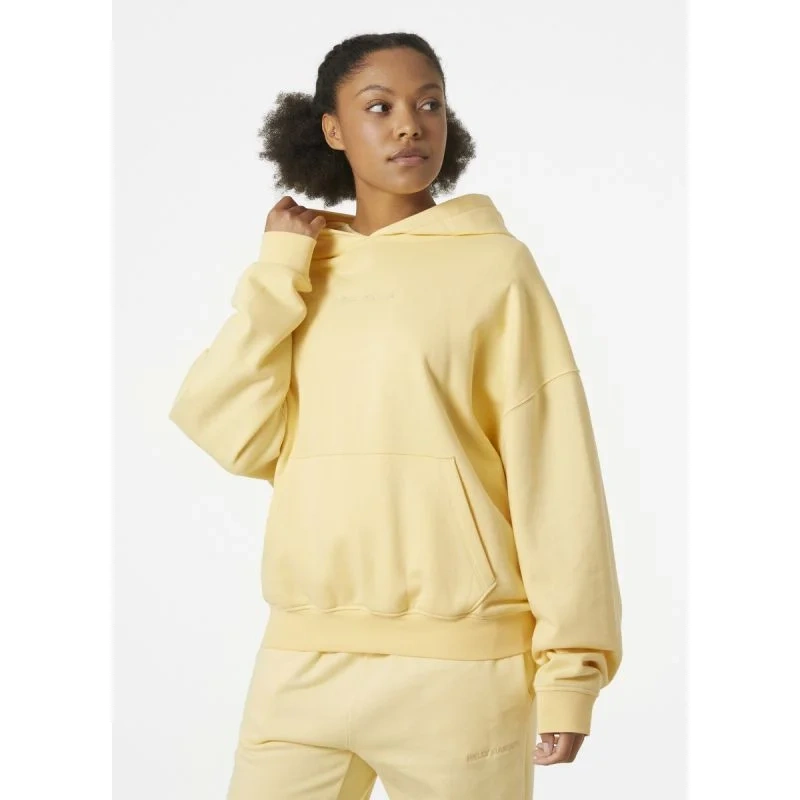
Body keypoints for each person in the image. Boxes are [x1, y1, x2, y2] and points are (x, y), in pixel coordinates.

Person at [169, 31, 623, 800]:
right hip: (302, 660)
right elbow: (231, 432)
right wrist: (278, 272)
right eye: (379, 107)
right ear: (332, 129)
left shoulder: (494, 266)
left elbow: (555, 471)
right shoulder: (303, 269)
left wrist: (570, 672)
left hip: (461, 672)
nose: (410, 125)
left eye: (429, 104)